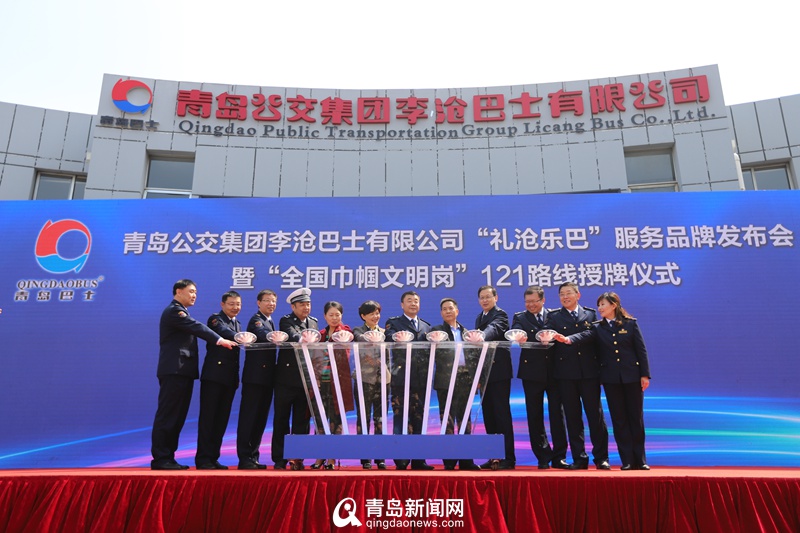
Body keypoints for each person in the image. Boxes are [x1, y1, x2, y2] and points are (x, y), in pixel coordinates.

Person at [556, 292, 651, 470]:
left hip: (632, 377)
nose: (599, 308)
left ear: (614, 305)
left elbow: (641, 350)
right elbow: (584, 335)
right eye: (598, 305)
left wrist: (644, 375)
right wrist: (568, 339)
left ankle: (641, 460)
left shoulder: (630, 324)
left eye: (603, 305)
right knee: (619, 420)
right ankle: (627, 461)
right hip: (611, 379)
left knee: (636, 418)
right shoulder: (598, 327)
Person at [151, 279, 237, 471]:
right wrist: (220, 340)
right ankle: (161, 458)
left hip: (184, 372)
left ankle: (168, 457)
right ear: (178, 291)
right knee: (169, 415)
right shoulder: (175, 311)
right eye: (190, 291)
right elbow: (197, 327)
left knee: (177, 417)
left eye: (196, 292)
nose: (194, 295)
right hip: (174, 370)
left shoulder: (182, 311)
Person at [549, 282, 610, 470]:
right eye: (562, 294)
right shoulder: (554, 317)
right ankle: (579, 458)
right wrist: (543, 336)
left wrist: (570, 339)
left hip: (589, 373)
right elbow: (546, 333)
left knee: (595, 416)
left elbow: (593, 334)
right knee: (573, 417)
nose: (565, 297)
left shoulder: (590, 314)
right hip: (566, 375)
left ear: (578, 295)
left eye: (568, 293)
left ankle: (601, 458)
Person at [512, 286, 569, 469]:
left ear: (543, 300)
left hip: (555, 372)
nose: (530, 305)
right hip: (531, 373)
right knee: (534, 415)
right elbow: (516, 331)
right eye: (527, 302)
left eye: (534, 301)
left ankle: (559, 456)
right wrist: (518, 336)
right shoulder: (520, 317)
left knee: (557, 414)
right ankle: (542, 456)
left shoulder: (554, 315)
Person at [384, 290, 434, 470]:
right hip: (401, 378)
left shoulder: (426, 326)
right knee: (401, 417)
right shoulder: (394, 323)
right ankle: (401, 458)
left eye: (416, 301)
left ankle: (419, 459)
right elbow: (388, 338)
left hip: (421, 379)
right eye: (409, 301)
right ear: (402, 304)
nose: (413, 304)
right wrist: (398, 338)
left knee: (419, 417)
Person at [431, 298, 481, 471]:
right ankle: (450, 460)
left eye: (450, 308)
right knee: (447, 420)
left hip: (465, 379)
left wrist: (476, 378)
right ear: (441, 313)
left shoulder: (467, 333)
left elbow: (474, 357)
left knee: (465, 419)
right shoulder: (436, 332)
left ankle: (466, 460)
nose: (448, 311)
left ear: (457, 311)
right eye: (444, 309)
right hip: (446, 380)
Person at [195, 290, 243, 469]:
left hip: (229, 380)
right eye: (231, 304)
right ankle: (203, 459)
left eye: (238, 304)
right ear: (223, 304)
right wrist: (241, 337)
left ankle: (213, 457)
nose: (235, 307)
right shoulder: (216, 319)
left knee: (221, 420)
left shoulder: (237, 324)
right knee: (208, 419)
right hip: (214, 378)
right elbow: (223, 332)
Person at [272, 287, 318, 470]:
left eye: (308, 304)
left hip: (305, 380)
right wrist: (304, 339)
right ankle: (280, 458)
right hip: (286, 379)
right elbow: (292, 335)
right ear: (293, 307)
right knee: (281, 419)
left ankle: (298, 458)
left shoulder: (313, 322)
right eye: (302, 304)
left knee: (302, 421)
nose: (306, 307)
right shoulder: (286, 320)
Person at [474, 285, 515, 470]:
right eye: (481, 297)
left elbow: (494, 328)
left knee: (501, 415)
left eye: (488, 297)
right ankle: (494, 457)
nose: (484, 300)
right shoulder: (479, 317)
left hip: (499, 373)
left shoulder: (501, 315)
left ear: (495, 298)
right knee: (489, 416)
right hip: (484, 374)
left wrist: (481, 335)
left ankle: (508, 457)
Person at [310, 301, 355, 470]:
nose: (334, 318)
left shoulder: (346, 332)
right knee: (320, 420)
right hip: (321, 383)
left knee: (336, 421)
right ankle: (319, 457)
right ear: (325, 316)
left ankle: (332, 458)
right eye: (331, 315)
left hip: (338, 384)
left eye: (337, 315)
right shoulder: (320, 335)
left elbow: (348, 344)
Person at [237, 289, 279, 469]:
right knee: (250, 417)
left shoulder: (270, 321)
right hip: (255, 378)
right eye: (267, 300)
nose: (271, 304)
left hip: (267, 378)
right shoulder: (257, 320)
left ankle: (253, 456)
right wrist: (276, 337)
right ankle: (244, 457)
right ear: (258, 303)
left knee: (260, 419)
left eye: (273, 301)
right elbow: (262, 335)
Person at [351, 300, 387, 470]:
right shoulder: (358, 331)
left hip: (382, 381)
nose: (375, 316)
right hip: (364, 380)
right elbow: (360, 339)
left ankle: (380, 457)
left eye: (377, 313)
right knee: (363, 418)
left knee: (380, 418)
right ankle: (365, 457)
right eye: (372, 313)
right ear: (363, 316)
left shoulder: (385, 333)